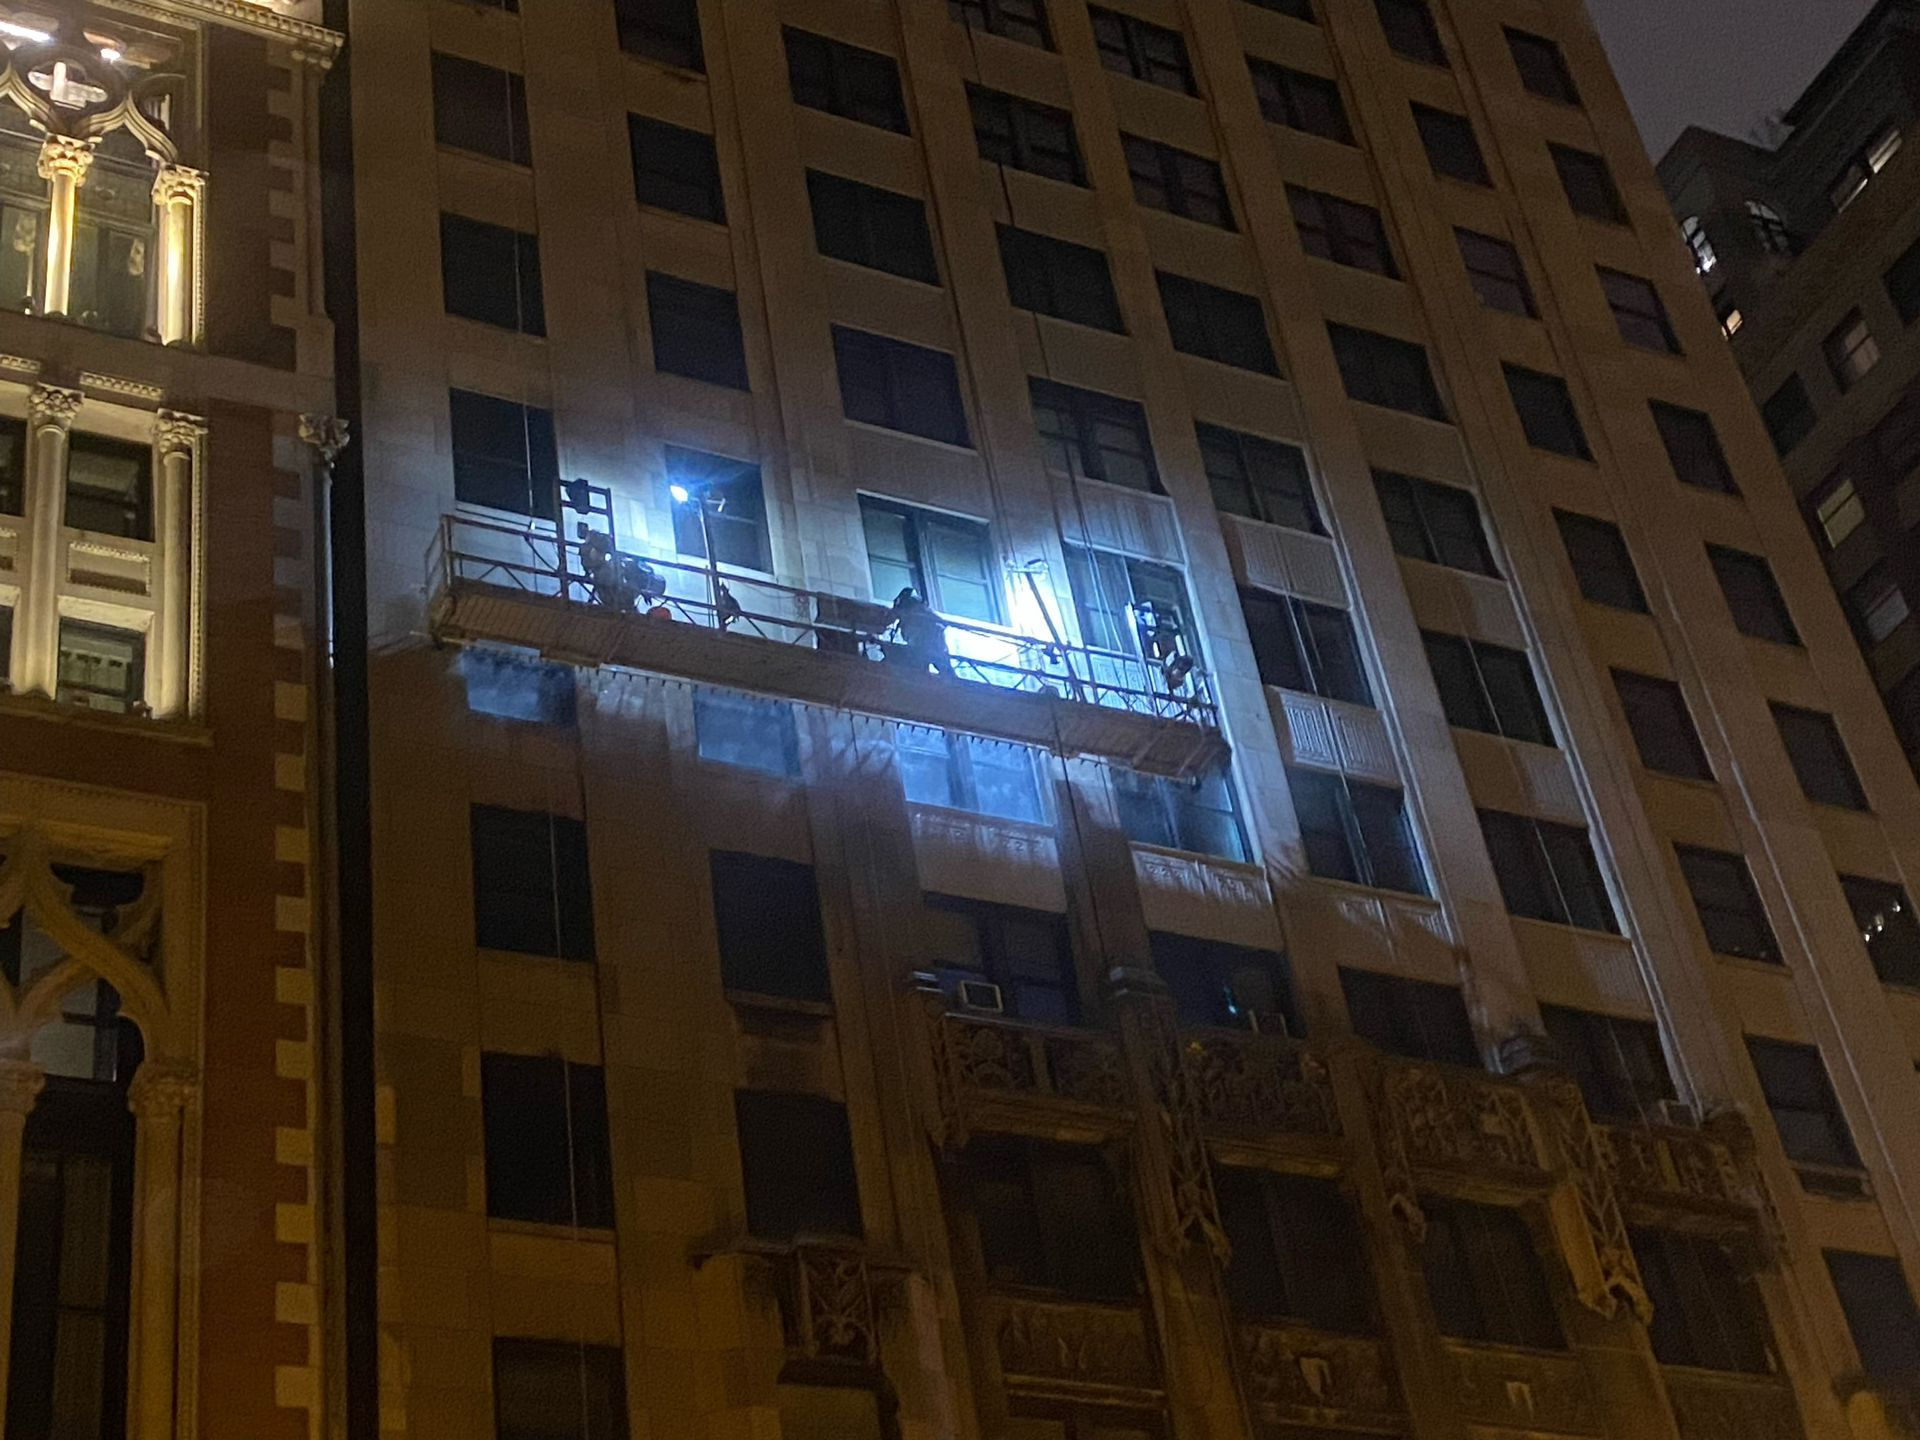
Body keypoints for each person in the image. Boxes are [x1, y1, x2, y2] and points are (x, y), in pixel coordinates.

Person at [891, 587, 950, 675]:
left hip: (929, 649)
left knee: (944, 671)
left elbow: (941, 624)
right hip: (923, 651)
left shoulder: (921, 616)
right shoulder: (911, 617)